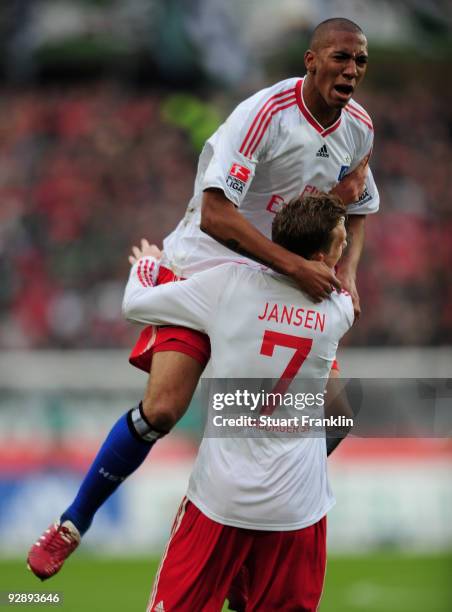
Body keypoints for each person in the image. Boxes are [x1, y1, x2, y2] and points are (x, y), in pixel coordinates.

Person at [27, 17, 378, 580]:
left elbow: (357, 211)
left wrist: (351, 275)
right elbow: (216, 213)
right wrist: (295, 265)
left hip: (282, 281)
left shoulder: (358, 127)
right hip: (212, 264)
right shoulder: (264, 114)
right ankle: (71, 523)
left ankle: (247, 542)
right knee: (165, 408)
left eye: (360, 61)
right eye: (341, 57)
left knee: (334, 416)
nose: (352, 70)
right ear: (311, 61)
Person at [125, 194, 354, 611]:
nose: (347, 250)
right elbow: (340, 418)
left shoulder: (229, 285)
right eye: (343, 242)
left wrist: (146, 265)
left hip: (222, 497)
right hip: (298, 507)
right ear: (321, 256)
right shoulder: (339, 311)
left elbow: (135, 305)